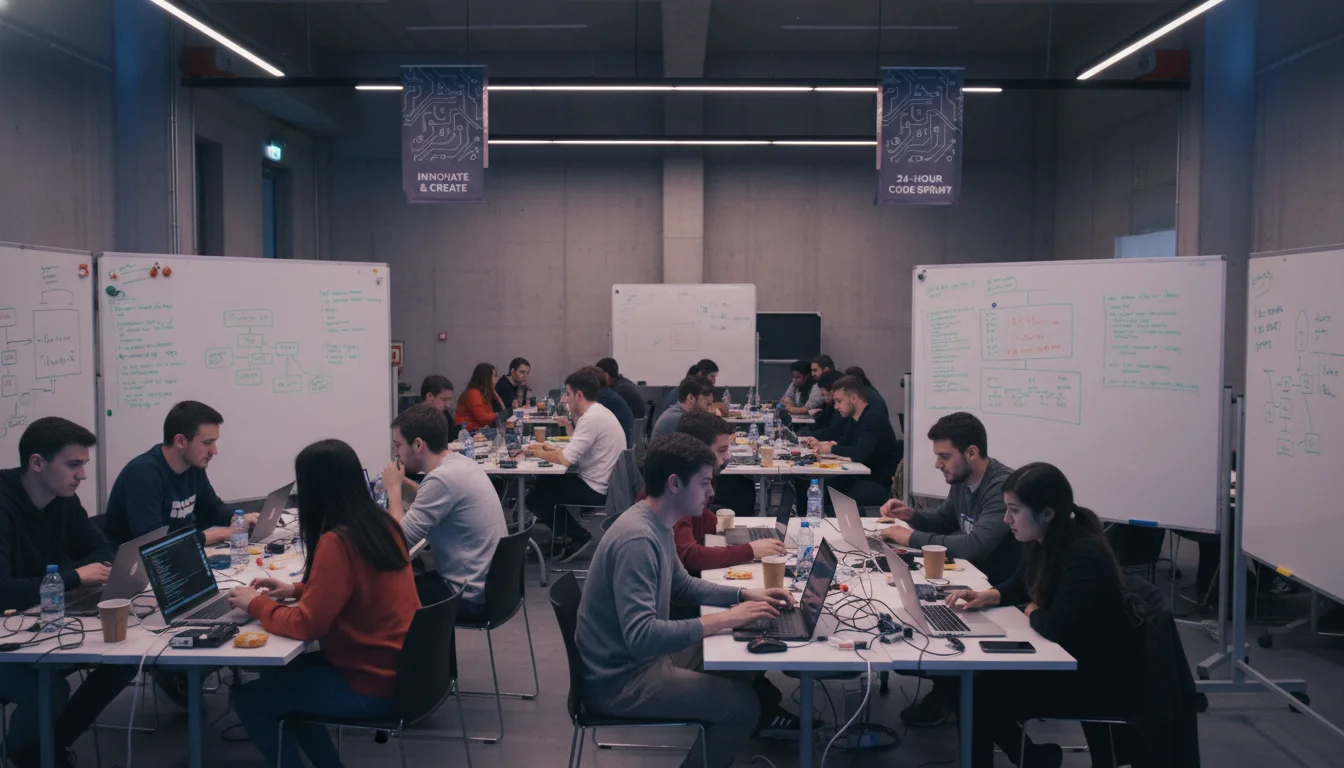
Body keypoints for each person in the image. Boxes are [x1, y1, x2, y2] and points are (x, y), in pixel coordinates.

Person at [576, 434, 800, 768]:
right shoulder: (638, 539)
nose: (711, 493)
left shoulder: (657, 522)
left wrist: (744, 595)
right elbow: (641, 637)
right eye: (704, 483)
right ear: (675, 483)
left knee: (744, 656)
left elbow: (682, 586)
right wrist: (728, 618)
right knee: (744, 707)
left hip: (637, 662)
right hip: (621, 681)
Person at [228, 439, 421, 768]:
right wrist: (297, 589)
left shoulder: (338, 541)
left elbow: (307, 626)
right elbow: (359, 588)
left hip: (369, 683)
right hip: (401, 672)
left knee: (249, 701)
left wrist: (255, 603)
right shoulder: (382, 524)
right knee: (276, 676)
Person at [944, 463, 1141, 768]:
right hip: (1067, 658)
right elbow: (1020, 585)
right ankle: (1034, 758)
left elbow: (1056, 626)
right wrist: (986, 596)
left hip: (1092, 678)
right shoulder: (1045, 540)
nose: (1006, 519)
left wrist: (1034, 610)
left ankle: (1033, 758)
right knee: (968, 686)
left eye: (1014, 510)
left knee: (975, 692)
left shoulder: (1083, 555)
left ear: (1047, 513)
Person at [0, 418, 138, 768]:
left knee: (122, 662)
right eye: (73, 464)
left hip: (39, 618)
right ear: (37, 463)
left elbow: (102, 551)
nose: (83, 475)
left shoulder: (63, 500)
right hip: (6, 635)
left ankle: (50, 746)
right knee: (48, 690)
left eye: (84, 465)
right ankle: (24, 757)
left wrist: (71, 578)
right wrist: (75, 577)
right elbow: (2, 591)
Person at [877, 411, 1018, 726]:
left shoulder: (1001, 488)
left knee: (921, 628)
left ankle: (951, 692)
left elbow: (973, 546)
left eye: (944, 456)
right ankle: (948, 690)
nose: (937, 464)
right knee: (905, 613)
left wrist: (911, 536)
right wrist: (912, 515)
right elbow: (943, 520)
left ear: (971, 453)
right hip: (968, 581)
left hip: (999, 590)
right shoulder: (964, 480)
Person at [381, 403, 505, 622]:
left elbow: (397, 543)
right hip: (494, 586)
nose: (395, 453)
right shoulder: (460, 463)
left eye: (398, 445)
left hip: (466, 594)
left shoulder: (441, 480)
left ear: (418, 444)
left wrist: (393, 490)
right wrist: (403, 484)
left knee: (383, 601)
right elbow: (434, 499)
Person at [105, 400, 248, 546]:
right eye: (207, 443)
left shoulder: (194, 466)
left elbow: (212, 509)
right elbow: (153, 541)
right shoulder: (143, 474)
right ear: (180, 441)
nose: (214, 451)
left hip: (179, 553)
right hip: (137, 559)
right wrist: (219, 534)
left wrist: (240, 519)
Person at [526, 368, 627, 561]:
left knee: (535, 499)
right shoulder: (597, 412)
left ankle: (579, 537)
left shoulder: (591, 418)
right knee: (544, 483)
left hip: (597, 488)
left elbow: (566, 460)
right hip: (607, 482)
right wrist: (550, 450)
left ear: (579, 395)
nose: (565, 399)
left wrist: (536, 452)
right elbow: (575, 450)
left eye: (568, 393)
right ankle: (563, 536)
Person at [671, 412, 785, 576]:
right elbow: (689, 556)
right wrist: (749, 550)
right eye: (721, 450)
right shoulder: (678, 489)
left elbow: (703, 521)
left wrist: (742, 538)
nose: (726, 457)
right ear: (697, 449)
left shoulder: (689, 477)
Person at [802, 376, 901, 506]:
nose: (836, 406)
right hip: (861, 477)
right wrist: (825, 444)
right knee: (821, 486)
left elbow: (859, 453)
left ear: (854, 398)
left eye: (839, 401)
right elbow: (845, 442)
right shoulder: (853, 418)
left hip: (878, 482)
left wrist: (831, 448)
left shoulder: (874, 419)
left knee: (835, 498)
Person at [583, 365, 635, 445]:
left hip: (619, 444)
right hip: (624, 441)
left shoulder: (602, 397)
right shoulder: (607, 392)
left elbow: (588, 424)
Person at [455, 363, 504, 431]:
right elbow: (484, 419)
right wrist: (499, 415)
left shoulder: (485, 393)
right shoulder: (473, 393)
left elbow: (489, 415)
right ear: (486, 378)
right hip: (467, 431)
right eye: (495, 376)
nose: (497, 379)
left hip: (478, 429)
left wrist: (498, 397)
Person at [800, 370, 843, 437]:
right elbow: (823, 425)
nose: (824, 398)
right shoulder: (830, 405)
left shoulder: (841, 408)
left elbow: (832, 432)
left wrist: (806, 434)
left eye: (824, 395)